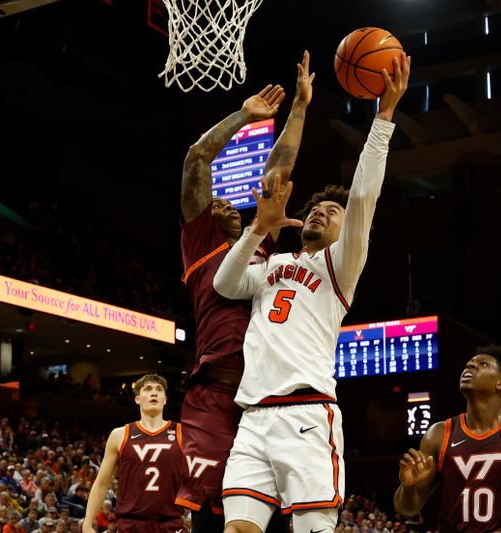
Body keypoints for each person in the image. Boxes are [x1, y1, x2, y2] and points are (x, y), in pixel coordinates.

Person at [213, 52, 410, 533]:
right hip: (253, 418)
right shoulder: (273, 264)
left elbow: (363, 196)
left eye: (331, 212)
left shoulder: (340, 267)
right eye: (316, 207)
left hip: (307, 415)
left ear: (347, 232)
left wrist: (383, 117)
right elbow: (225, 283)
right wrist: (257, 229)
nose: (321, 212)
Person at [177, 52, 314, 533]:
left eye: (233, 203)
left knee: (269, 513)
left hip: (269, 396)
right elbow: (197, 158)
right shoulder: (200, 247)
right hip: (214, 397)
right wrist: (243, 116)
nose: (227, 205)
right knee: (204, 515)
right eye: (216, 203)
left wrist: (298, 107)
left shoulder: (262, 243)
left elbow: (279, 170)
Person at [392, 346, 501, 533]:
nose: (471, 366)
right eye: (469, 364)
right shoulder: (438, 433)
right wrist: (408, 487)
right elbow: (407, 509)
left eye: (483, 364)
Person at [82, 374, 184, 533]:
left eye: (159, 389)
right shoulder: (120, 434)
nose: (154, 393)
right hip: (130, 525)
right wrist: (87, 523)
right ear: (137, 399)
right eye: (148, 389)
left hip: (170, 523)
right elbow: (102, 483)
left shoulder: (182, 433)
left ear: (165, 399)